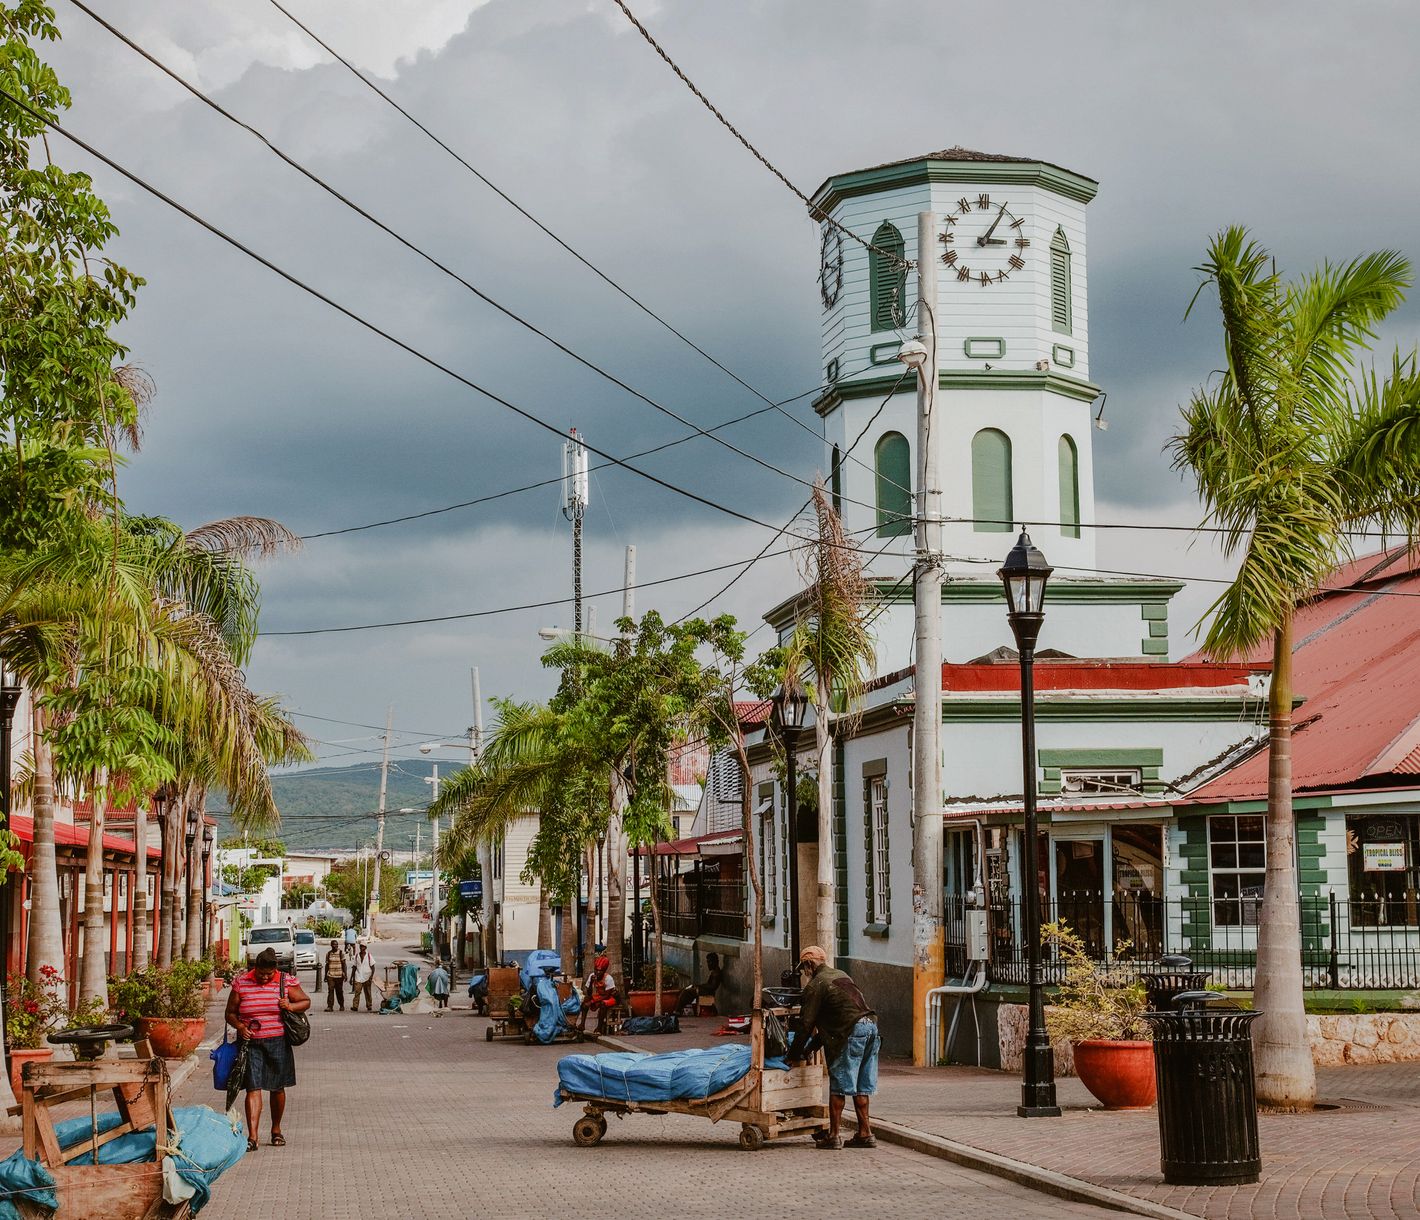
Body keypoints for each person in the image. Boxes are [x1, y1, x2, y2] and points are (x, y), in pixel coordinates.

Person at [787, 945, 879, 1151]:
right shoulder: (841, 975)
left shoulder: (815, 985)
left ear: (809, 964)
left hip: (851, 1031)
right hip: (870, 1027)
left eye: (804, 968)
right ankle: (865, 1134)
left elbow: (805, 1024)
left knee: (839, 1083)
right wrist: (810, 1048)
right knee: (861, 1085)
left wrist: (793, 1054)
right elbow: (834, 1019)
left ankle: (834, 1136)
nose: (804, 973)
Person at [226, 947, 311, 1152]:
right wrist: (240, 1027)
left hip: (278, 1041)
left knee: (277, 1087)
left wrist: (290, 1006)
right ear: (255, 968)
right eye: (261, 973)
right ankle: (253, 1136)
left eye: (269, 974)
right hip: (251, 1044)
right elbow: (230, 1013)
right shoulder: (241, 982)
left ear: (275, 970)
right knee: (253, 1087)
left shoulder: (285, 981)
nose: (265, 977)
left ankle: (276, 1129)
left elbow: (305, 1002)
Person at [576, 954, 619, 1036]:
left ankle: (599, 1028)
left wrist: (592, 1001)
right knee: (585, 1003)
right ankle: (582, 1024)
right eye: (596, 970)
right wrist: (591, 983)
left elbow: (607, 996)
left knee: (603, 1004)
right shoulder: (592, 976)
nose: (598, 972)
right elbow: (589, 993)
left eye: (600, 971)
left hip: (611, 997)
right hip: (600, 996)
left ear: (604, 971)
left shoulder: (608, 978)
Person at [676, 951, 723, 1015]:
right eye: (707, 962)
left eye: (709, 962)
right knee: (685, 991)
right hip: (705, 990)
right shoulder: (714, 972)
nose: (708, 964)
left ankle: (678, 1010)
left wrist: (699, 986)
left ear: (715, 962)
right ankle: (679, 1009)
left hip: (707, 991)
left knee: (686, 992)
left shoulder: (716, 973)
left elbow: (712, 986)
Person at [350, 940, 377, 1012]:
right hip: (358, 976)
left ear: (365, 947)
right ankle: (355, 1006)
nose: (362, 948)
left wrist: (371, 977)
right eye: (361, 946)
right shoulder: (357, 956)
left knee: (367, 992)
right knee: (357, 992)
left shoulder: (369, 956)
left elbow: (373, 967)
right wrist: (351, 977)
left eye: (363, 947)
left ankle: (369, 1005)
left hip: (367, 976)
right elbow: (354, 967)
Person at [323, 939, 346, 1012]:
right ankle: (330, 1006)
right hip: (331, 975)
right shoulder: (328, 954)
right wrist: (325, 975)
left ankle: (341, 1005)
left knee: (339, 991)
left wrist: (345, 974)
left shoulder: (341, 953)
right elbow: (327, 965)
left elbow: (344, 964)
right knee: (330, 990)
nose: (335, 946)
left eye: (336, 944)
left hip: (339, 975)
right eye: (333, 944)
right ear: (331, 945)